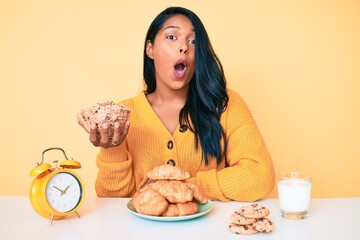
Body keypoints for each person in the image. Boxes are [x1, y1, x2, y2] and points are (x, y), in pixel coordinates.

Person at [78, 6, 275, 202]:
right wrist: (113, 148)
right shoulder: (124, 115)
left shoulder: (225, 106)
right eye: (172, 37)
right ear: (150, 49)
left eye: (193, 41)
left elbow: (260, 176)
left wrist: (183, 188)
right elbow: (111, 204)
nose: (184, 47)